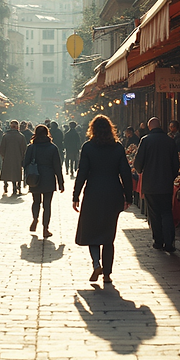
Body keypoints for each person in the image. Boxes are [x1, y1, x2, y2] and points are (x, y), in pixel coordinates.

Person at [72, 114, 133, 285]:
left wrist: (76, 195)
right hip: (113, 193)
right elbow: (125, 173)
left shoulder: (88, 147)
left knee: (92, 231)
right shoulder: (118, 148)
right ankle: (107, 273)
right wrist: (128, 196)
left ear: (92, 129)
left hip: (93, 193)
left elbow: (82, 172)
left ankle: (96, 263)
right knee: (108, 233)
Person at [134, 117, 180, 252]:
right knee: (166, 212)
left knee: (154, 213)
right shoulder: (170, 141)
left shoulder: (145, 141)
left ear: (149, 127)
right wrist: (170, 176)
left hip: (150, 184)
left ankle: (158, 241)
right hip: (166, 184)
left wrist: (140, 170)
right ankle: (169, 242)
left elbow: (138, 163)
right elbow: (175, 164)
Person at [25, 124, 64, 238]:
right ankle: (45, 228)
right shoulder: (52, 148)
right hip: (48, 178)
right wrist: (61, 182)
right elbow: (57, 166)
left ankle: (35, 219)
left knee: (36, 201)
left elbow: (25, 163)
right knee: (47, 204)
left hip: (34, 177)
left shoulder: (31, 147)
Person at [0, 120, 27, 195]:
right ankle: (17, 186)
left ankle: (5, 184)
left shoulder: (5, 136)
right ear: (17, 127)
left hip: (7, 158)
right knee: (17, 173)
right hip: (18, 158)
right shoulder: (21, 137)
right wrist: (22, 157)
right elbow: (24, 148)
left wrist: (3, 156)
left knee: (6, 172)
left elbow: (2, 148)